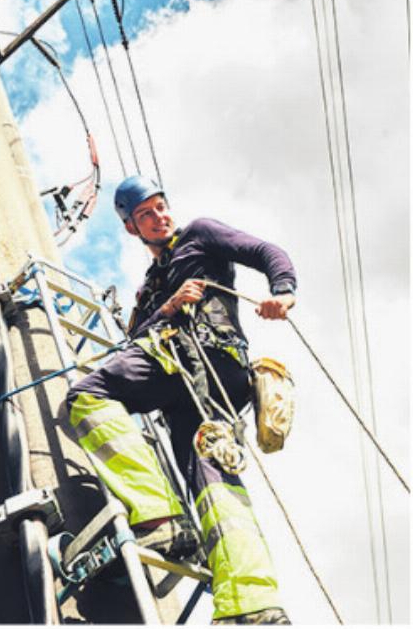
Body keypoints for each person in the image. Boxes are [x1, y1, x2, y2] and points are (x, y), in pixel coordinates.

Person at [66, 176, 297, 625]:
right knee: (212, 483)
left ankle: (157, 518)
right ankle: (252, 607)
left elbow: (266, 252)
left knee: (88, 394)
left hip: (212, 360)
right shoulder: (149, 289)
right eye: (146, 214)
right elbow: (136, 337)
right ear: (133, 228)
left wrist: (282, 291)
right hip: (176, 376)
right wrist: (167, 307)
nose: (159, 217)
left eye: (161, 206)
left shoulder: (201, 234)